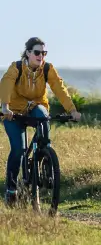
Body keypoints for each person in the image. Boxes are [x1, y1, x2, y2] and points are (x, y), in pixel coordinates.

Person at [0, 37, 82, 206]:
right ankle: (11, 190)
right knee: (18, 149)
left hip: (35, 107)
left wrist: (72, 110)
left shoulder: (46, 69)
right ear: (28, 53)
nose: (41, 56)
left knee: (43, 118)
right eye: (37, 52)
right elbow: (6, 83)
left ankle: (44, 158)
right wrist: (5, 107)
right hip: (13, 113)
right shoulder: (16, 67)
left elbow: (59, 88)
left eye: (44, 53)